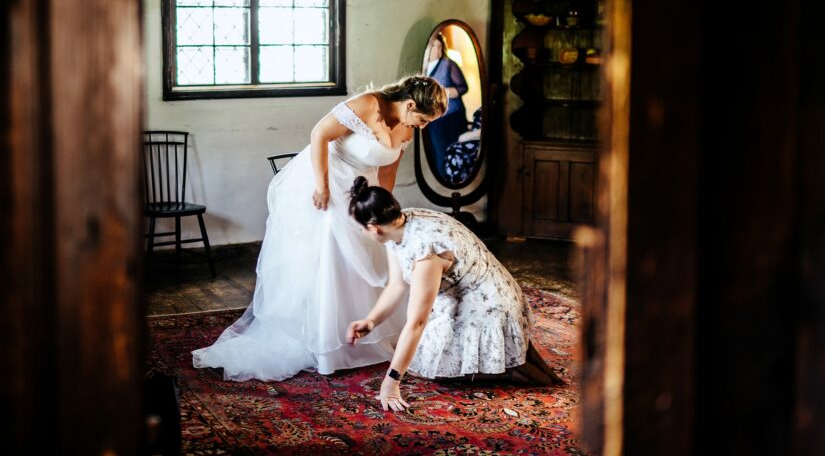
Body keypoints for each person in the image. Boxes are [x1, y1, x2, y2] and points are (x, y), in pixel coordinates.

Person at [192, 75, 448, 381]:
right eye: (423, 119)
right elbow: (319, 135)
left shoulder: (406, 126)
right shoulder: (368, 105)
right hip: (330, 179)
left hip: (363, 187)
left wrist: (383, 208)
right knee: (332, 250)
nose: (423, 127)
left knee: (369, 252)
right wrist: (322, 186)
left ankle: (364, 338)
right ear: (409, 104)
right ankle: (328, 347)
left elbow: (388, 169)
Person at [345, 178, 562, 412]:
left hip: (490, 304)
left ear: (373, 228)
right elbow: (397, 286)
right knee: (419, 361)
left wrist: (391, 382)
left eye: (360, 228)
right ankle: (503, 361)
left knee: (426, 371)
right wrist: (372, 320)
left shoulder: (425, 251)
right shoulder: (400, 222)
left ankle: (510, 369)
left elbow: (417, 322)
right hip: (466, 291)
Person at [424, 34, 469, 172]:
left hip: (451, 117)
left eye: (440, 46)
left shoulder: (448, 64)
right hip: (432, 120)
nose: (437, 49)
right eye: (434, 46)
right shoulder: (423, 67)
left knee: (448, 155)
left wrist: (443, 91)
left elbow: (463, 87)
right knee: (435, 154)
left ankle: (449, 184)